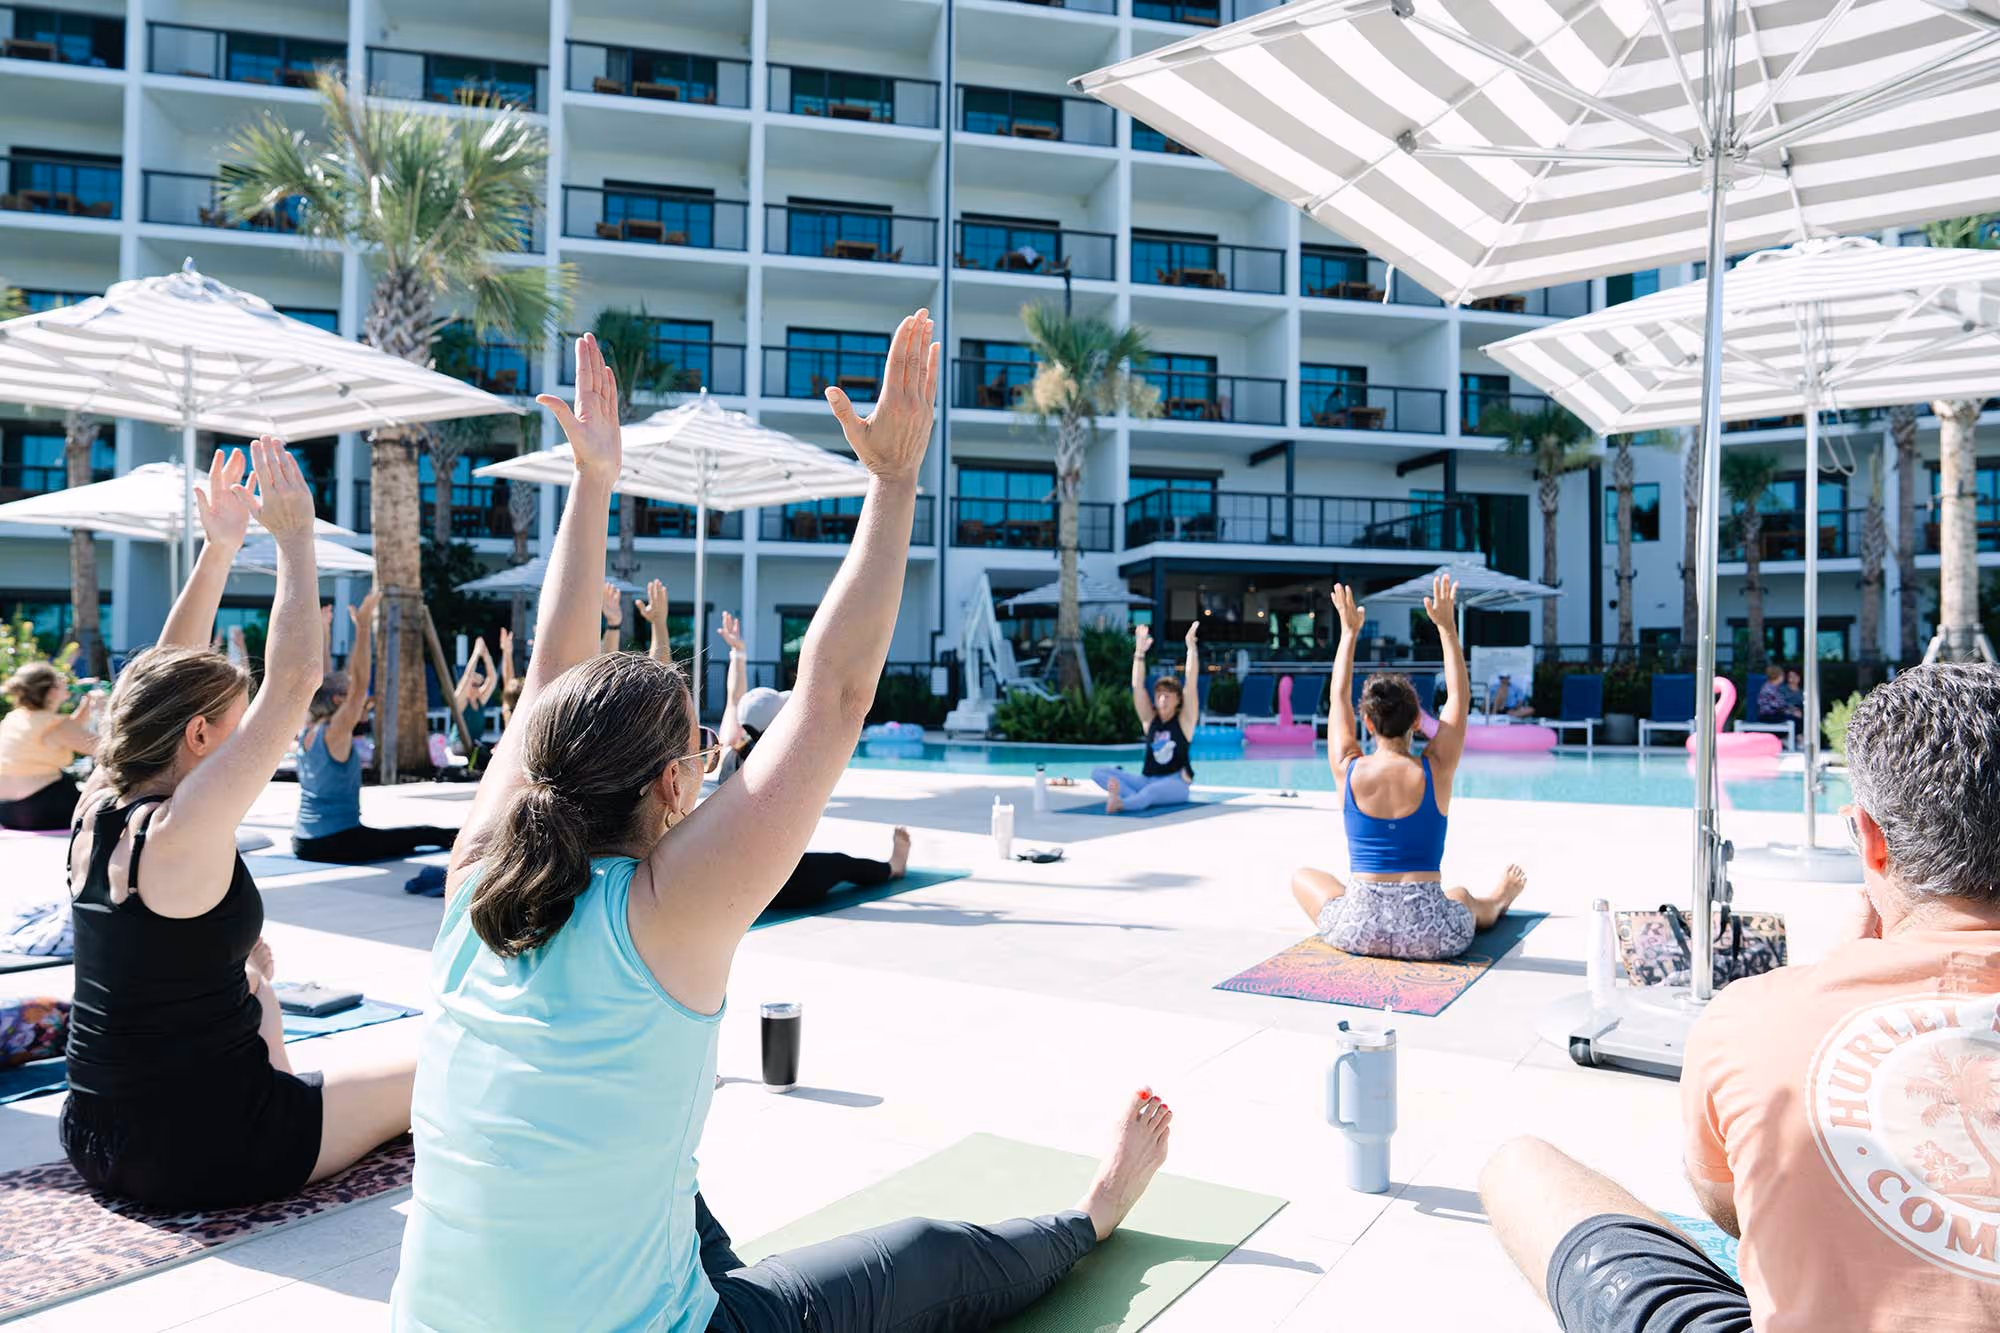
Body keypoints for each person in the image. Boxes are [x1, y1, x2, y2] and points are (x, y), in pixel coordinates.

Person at [393, 319, 1173, 1333]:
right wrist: (891, 486)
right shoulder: (664, 913)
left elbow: (548, 680)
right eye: (704, 758)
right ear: (674, 786)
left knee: (667, 1189)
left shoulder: (474, 882)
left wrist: (591, 485)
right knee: (922, 1259)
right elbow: (835, 692)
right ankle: (1091, 1214)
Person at [1480, 663, 2000, 1333]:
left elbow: (1734, 1207)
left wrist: (1825, 981)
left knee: (1518, 1168)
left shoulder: (1752, 1019)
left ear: (1870, 839)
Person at [60, 440, 413, 1209]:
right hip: (200, 1149)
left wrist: (219, 550)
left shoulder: (98, 802)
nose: (240, 741)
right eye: (228, 726)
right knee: (434, 1070)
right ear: (197, 737)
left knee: (254, 988)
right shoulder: (183, 826)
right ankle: (285, 1111)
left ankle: (281, 1086)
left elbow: (153, 681)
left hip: (95, 1136)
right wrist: (294, 539)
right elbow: (295, 680)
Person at [1290, 575, 1526, 961]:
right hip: (1432, 936)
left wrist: (1349, 633)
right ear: (1417, 721)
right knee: (1461, 896)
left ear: (1367, 723)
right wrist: (1447, 628)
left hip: (1360, 931)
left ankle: (1380, 901)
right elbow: (1458, 699)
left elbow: (1337, 699)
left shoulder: (1347, 768)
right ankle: (1496, 902)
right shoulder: (1437, 768)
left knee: (1305, 878)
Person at [713, 661, 912, 913]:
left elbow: (733, 700)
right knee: (840, 864)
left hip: (725, 885)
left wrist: (738, 654)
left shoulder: (733, 757)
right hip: (771, 889)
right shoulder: (778, 767)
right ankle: (894, 867)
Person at [291, 587, 458, 865]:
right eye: (349, 696)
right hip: (335, 842)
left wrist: (325, 630)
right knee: (424, 834)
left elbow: (322, 681)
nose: (359, 700)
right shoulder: (335, 732)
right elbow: (357, 684)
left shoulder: (307, 728)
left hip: (303, 841)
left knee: (410, 838)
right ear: (338, 700)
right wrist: (364, 626)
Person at [1090, 621, 1201, 814]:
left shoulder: (1185, 722)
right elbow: (1137, 686)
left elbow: (1191, 683)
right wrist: (1139, 652)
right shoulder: (1150, 720)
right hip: (1146, 779)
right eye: (1159, 694)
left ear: (1178, 700)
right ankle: (1129, 796)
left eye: (1168, 695)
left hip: (1175, 784)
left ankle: (1122, 803)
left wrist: (1191, 647)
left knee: (1150, 792)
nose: (1162, 699)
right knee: (1098, 773)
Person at [0, 663, 98, 831]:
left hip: (8, 812)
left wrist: (87, 706)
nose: (67, 682)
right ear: (51, 690)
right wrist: (104, 711)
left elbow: (66, 733)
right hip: (42, 811)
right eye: (61, 679)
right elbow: (108, 749)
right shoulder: (56, 726)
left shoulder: (14, 718)